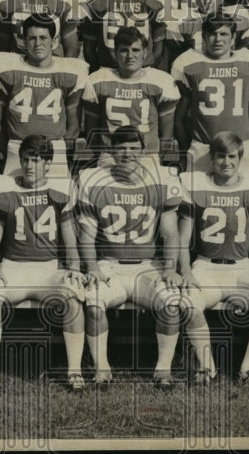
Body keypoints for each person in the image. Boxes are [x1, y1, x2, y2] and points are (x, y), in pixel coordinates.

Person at [77, 125, 185, 389]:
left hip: (148, 266)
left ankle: (163, 370)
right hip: (110, 265)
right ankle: (102, 368)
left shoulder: (161, 179)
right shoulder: (94, 180)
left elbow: (171, 234)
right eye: (122, 148)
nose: (128, 153)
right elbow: (87, 235)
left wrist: (170, 269)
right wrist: (91, 266)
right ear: (112, 151)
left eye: (134, 148)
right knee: (93, 302)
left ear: (143, 151)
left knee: (171, 303)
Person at [0, 135, 87, 391]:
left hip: (48, 268)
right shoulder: (3, 190)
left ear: (48, 164)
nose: (29, 166)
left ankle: (74, 371)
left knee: (73, 299)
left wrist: (73, 267)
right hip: (12, 267)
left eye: (36, 160)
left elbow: (69, 237)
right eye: (26, 160)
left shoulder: (61, 190)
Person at [178, 131, 249, 385]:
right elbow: (182, 240)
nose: (226, 162)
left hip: (241, 269)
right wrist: (186, 272)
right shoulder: (195, 184)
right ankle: (207, 368)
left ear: (241, 158)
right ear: (212, 159)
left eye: (232, 156)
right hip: (205, 266)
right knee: (189, 304)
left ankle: (248, 367)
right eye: (221, 156)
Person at [0, 15, 88, 176]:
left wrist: (58, 153)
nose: (38, 43)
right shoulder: (8, 69)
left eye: (43, 38)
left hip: (54, 148)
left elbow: (74, 126)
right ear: (24, 42)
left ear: (54, 42)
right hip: (18, 147)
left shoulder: (68, 73)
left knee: (58, 199)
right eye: (32, 38)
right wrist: (11, 150)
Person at [172, 12, 249, 173]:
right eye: (212, 34)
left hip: (239, 147)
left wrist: (248, 147)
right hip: (202, 147)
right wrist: (189, 147)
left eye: (224, 34)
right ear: (204, 36)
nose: (218, 39)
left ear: (233, 37)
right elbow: (180, 117)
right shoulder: (186, 62)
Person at [82, 26, 179, 167]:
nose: (130, 56)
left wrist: (155, 157)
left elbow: (167, 135)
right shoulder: (98, 81)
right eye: (123, 50)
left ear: (145, 53)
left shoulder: (160, 82)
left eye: (135, 50)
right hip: (110, 155)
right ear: (115, 53)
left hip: (147, 156)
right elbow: (91, 131)